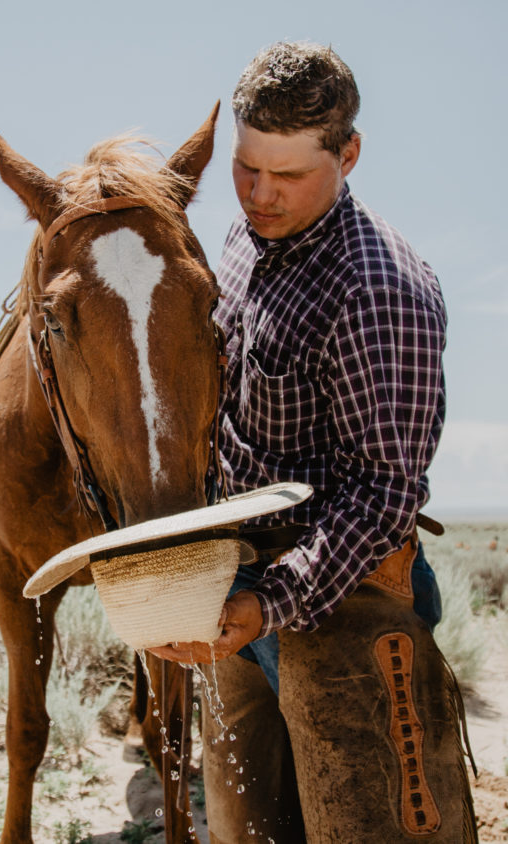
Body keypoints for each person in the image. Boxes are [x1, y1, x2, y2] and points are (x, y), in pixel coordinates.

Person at [150, 42, 476, 842]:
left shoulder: (379, 289)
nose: (260, 195)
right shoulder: (240, 238)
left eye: (289, 176)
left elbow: (384, 493)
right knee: (245, 830)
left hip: (345, 603)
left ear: (349, 154)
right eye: (246, 168)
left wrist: (269, 604)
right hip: (239, 593)